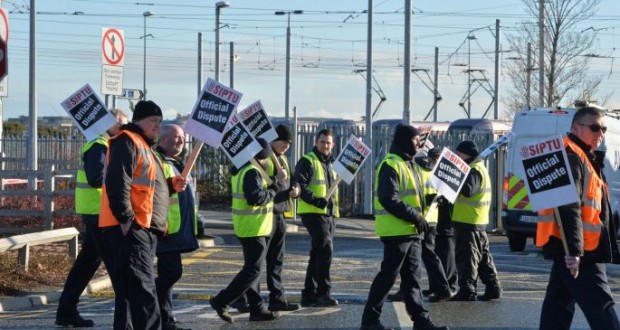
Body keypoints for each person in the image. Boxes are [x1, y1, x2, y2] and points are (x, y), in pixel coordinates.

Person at [99, 100, 187, 330]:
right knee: (144, 292)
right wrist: (126, 220)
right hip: (133, 227)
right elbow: (118, 181)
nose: (158, 125)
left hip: (142, 227)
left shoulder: (144, 146)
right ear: (138, 120)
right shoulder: (127, 141)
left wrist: (170, 185)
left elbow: (147, 187)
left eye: (160, 121)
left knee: (130, 292)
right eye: (153, 121)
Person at [538, 107, 620, 330]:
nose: (600, 132)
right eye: (594, 127)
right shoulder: (571, 154)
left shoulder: (581, 154)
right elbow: (568, 205)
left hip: (571, 245)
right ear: (576, 127)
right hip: (580, 249)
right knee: (602, 308)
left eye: (603, 128)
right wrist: (574, 251)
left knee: (557, 308)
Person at [360, 124, 448, 330]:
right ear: (404, 140)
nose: (419, 143)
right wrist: (416, 217)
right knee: (387, 278)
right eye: (416, 139)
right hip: (397, 231)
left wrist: (433, 199)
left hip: (411, 231)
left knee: (413, 280)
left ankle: (421, 321)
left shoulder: (409, 164)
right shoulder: (391, 164)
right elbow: (388, 198)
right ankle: (370, 321)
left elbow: (413, 197)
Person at [55, 109, 128, 328]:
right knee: (118, 266)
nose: (124, 129)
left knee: (86, 265)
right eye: (121, 124)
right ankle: (126, 319)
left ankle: (66, 312)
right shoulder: (99, 145)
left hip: (97, 212)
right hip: (99, 213)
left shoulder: (106, 145)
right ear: (107, 124)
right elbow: (96, 178)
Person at [230, 125, 301, 313]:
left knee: (276, 261)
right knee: (256, 264)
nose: (286, 146)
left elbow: (291, 180)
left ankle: (277, 298)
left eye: (289, 143)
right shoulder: (263, 158)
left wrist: (295, 189)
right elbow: (262, 190)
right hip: (264, 216)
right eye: (283, 142)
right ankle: (248, 301)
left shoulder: (283, 159)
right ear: (273, 140)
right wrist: (278, 184)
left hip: (279, 214)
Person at [209, 138, 280, 324]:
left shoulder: (242, 169)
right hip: (252, 228)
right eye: (265, 158)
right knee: (252, 271)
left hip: (250, 226)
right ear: (262, 158)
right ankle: (221, 300)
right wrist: (273, 189)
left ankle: (257, 309)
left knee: (252, 270)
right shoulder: (252, 172)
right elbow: (255, 198)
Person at [387, 147, 452, 303]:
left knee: (420, 256)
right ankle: (437, 288)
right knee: (425, 255)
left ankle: (441, 288)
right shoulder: (433, 172)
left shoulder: (414, 169)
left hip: (418, 219)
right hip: (430, 218)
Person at [155, 124, 200, 330]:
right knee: (171, 274)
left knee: (169, 274)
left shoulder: (176, 163)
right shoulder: (160, 161)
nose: (181, 141)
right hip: (164, 229)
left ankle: (166, 320)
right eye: (176, 138)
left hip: (174, 229)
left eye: (182, 138)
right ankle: (150, 305)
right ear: (163, 139)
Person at [449, 141, 501, 302]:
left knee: (467, 257)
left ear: (466, 154)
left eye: (459, 154)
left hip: (469, 221)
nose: (457, 157)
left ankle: (467, 289)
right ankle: (493, 287)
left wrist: (455, 177)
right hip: (475, 220)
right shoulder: (479, 168)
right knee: (483, 257)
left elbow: (468, 190)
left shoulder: (473, 170)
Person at [294, 128, 340, 307]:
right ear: (316, 142)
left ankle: (308, 294)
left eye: (328, 143)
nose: (325, 145)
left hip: (329, 214)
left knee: (318, 253)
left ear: (333, 145)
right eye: (322, 142)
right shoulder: (307, 161)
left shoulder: (333, 163)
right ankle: (323, 293)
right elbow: (300, 186)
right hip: (313, 212)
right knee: (325, 249)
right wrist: (316, 201)